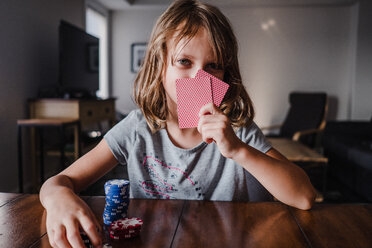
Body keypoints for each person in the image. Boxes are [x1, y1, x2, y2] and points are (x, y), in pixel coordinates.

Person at [40, 0, 317, 247]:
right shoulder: (138, 128)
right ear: (160, 68)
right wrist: (57, 197)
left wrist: (238, 150)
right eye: (184, 61)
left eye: (213, 66)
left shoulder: (239, 130)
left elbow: (304, 196)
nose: (200, 77)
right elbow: (57, 182)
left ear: (225, 75)